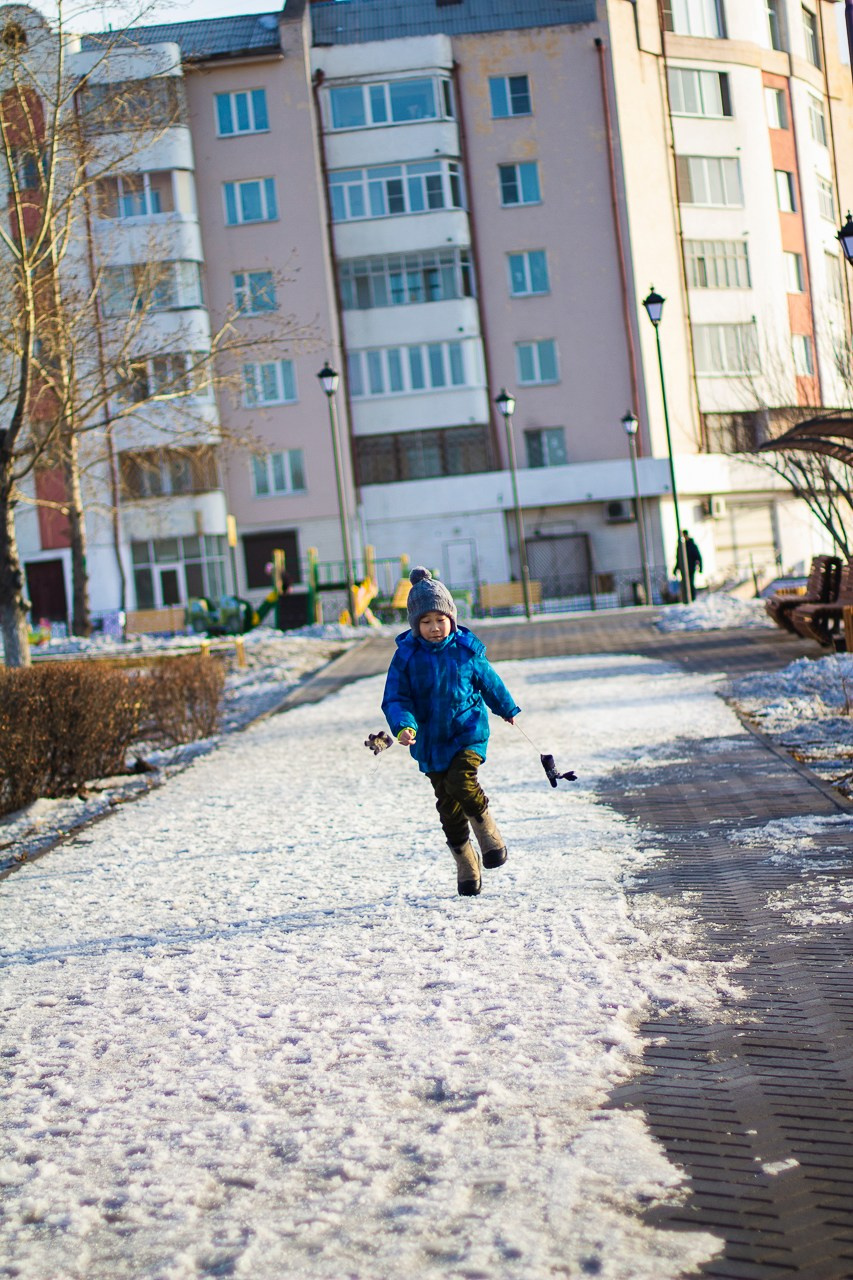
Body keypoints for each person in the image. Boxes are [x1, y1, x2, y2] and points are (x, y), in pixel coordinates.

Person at [381, 567, 521, 897]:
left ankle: (488, 834)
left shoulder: (466, 651)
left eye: (439, 620)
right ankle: (466, 862)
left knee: (462, 780)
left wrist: (506, 708)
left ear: (451, 618)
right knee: (448, 807)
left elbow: (490, 683)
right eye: (426, 622)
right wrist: (404, 726)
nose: (433, 627)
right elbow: (396, 698)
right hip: (430, 741)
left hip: (467, 731)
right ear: (415, 625)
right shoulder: (406, 658)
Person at [674, 529, 702, 598]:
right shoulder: (680, 546)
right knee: (684, 584)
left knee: (690, 583)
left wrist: (700, 567)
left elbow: (698, 557)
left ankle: (692, 598)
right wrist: (676, 568)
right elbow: (679, 559)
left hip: (691, 568)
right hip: (683, 569)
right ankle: (686, 598)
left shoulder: (691, 545)